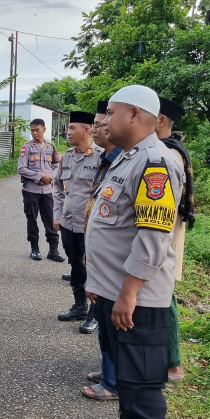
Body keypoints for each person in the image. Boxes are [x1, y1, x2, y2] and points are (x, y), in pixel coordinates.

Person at [80, 84, 184, 419]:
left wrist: (128, 293)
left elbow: (153, 236)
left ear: (136, 115)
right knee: (124, 371)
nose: (103, 120)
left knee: (142, 381)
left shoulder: (156, 163)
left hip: (137, 298)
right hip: (113, 291)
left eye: (110, 112)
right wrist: (100, 283)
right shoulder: (126, 158)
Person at [80, 100, 123, 402]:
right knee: (104, 319)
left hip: (115, 260)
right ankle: (109, 372)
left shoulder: (127, 160)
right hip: (100, 254)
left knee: (112, 319)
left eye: (103, 121)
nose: (98, 127)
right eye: (97, 121)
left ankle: (114, 381)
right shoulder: (108, 160)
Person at [157, 97, 195, 383]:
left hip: (165, 229)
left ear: (160, 121)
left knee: (164, 292)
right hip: (164, 228)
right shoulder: (164, 148)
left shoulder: (170, 154)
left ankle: (173, 363)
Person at [53, 111, 101, 322]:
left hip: (90, 226)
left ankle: (94, 312)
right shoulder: (67, 156)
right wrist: (57, 215)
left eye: (72, 128)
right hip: (68, 223)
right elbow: (57, 188)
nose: (68, 131)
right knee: (75, 265)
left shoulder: (101, 157)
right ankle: (79, 305)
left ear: (87, 130)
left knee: (92, 266)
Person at [17, 118, 64, 262]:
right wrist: (39, 176)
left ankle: (53, 250)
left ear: (44, 129)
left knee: (50, 219)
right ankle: (35, 248)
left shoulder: (51, 147)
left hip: (48, 190)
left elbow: (57, 165)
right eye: (32, 130)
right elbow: (21, 168)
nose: (35, 133)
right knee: (32, 219)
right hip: (31, 190)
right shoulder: (27, 147)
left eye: (37, 130)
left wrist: (51, 176)